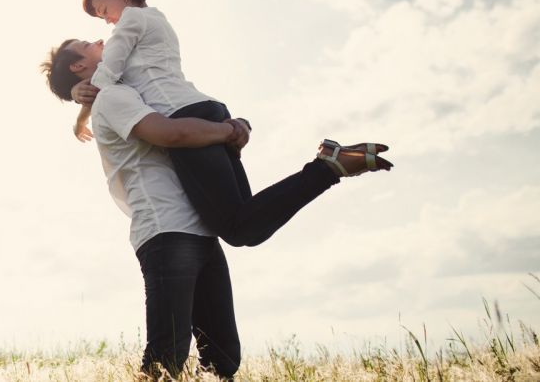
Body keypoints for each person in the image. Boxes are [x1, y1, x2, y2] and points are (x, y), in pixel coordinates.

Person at [40, 40, 388, 379]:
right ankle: (327, 169)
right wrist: (229, 129)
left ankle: (328, 168)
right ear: (78, 66)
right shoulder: (114, 98)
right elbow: (171, 134)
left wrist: (241, 125)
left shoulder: (128, 88)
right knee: (165, 359)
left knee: (221, 358)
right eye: (87, 44)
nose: (101, 39)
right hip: (167, 231)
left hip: (201, 231)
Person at [54, 0, 393, 247]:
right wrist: (76, 90)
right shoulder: (158, 19)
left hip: (186, 121)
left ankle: (327, 167)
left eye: (103, 10)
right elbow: (128, 78)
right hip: (208, 110)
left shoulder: (129, 21)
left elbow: (110, 72)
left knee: (238, 228)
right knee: (246, 219)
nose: (106, 22)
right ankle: (330, 165)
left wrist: (80, 107)